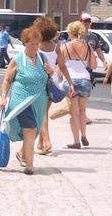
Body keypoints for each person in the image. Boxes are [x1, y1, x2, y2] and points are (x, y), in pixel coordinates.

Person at [0, 26, 52, 175]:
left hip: (39, 101)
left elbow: (49, 79)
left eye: (37, 44)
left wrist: (50, 72)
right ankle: (29, 165)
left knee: (34, 132)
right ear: (24, 43)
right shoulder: (17, 59)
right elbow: (7, 80)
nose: (35, 47)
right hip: (21, 100)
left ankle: (23, 154)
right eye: (32, 44)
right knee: (30, 129)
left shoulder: (42, 58)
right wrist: (3, 97)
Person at [34, 17, 74, 155]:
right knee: (43, 112)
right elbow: (62, 66)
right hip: (53, 81)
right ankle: (40, 143)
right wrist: (70, 82)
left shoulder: (36, 45)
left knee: (41, 113)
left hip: (40, 82)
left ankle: (47, 142)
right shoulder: (56, 47)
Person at [60, 21, 97, 149]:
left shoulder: (65, 46)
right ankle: (84, 134)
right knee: (82, 111)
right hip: (85, 81)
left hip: (70, 81)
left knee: (73, 113)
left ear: (71, 32)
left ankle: (76, 141)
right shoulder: (88, 46)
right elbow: (93, 66)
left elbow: (60, 67)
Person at [79, 13, 108, 125]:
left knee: (86, 92)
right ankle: (82, 115)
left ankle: (82, 113)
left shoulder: (93, 37)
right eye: (84, 21)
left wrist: (104, 61)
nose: (86, 23)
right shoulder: (77, 35)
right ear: (80, 22)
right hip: (78, 68)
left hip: (89, 69)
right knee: (80, 92)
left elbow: (98, 50)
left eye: (88, 21)